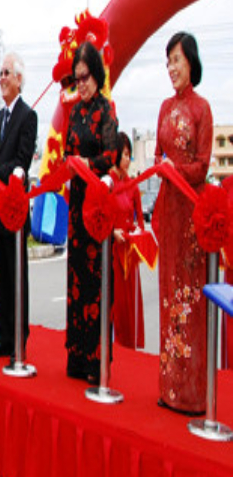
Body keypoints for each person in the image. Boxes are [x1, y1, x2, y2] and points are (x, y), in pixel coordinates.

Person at [154, 32, 213, 415]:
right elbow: (159, 154)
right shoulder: (163, 107)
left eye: (176, 59)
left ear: (191, 61)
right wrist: (163, 167)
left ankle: (192, 394)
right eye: (168, 62)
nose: (171, 68)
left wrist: (176, 171)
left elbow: (203, 165)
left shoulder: (202, 109)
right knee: (168, 296)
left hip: (191, 214)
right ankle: (169, 388)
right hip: (168, 212)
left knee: (189, 302)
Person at [64, 42, 118, 384]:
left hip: (96, 205)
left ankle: (96, 359)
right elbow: (67, 150)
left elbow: (112, 156)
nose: (81, 84)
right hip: (76, 205)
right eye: (77, 78)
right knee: (76, 280)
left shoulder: (106, 110)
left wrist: (88, 163)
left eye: (85, 77)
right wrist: (70, 163)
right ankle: (77, 355)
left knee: (96, 284)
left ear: (96, 75)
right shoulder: (74, 113)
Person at [0, 53, 38, 358]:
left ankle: (19, 337)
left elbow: (22, 161)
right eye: (1, 73)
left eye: (7, 73)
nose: (2, 78)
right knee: (1, 275)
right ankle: (3, 335)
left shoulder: (28, 116)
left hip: (15, 209)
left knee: (16, 275)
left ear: (19, 79)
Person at [109, 132, 145, 350]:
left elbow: (140, 220)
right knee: (115, 303)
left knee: (130, 305)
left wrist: (137, 233)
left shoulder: (132, 185)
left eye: (129, 155)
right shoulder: (107, 182)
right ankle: (114, 344)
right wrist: (112, 231)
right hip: (112, 252)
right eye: (124, 154)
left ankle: (130, 346)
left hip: (129, 254)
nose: (127, 160)